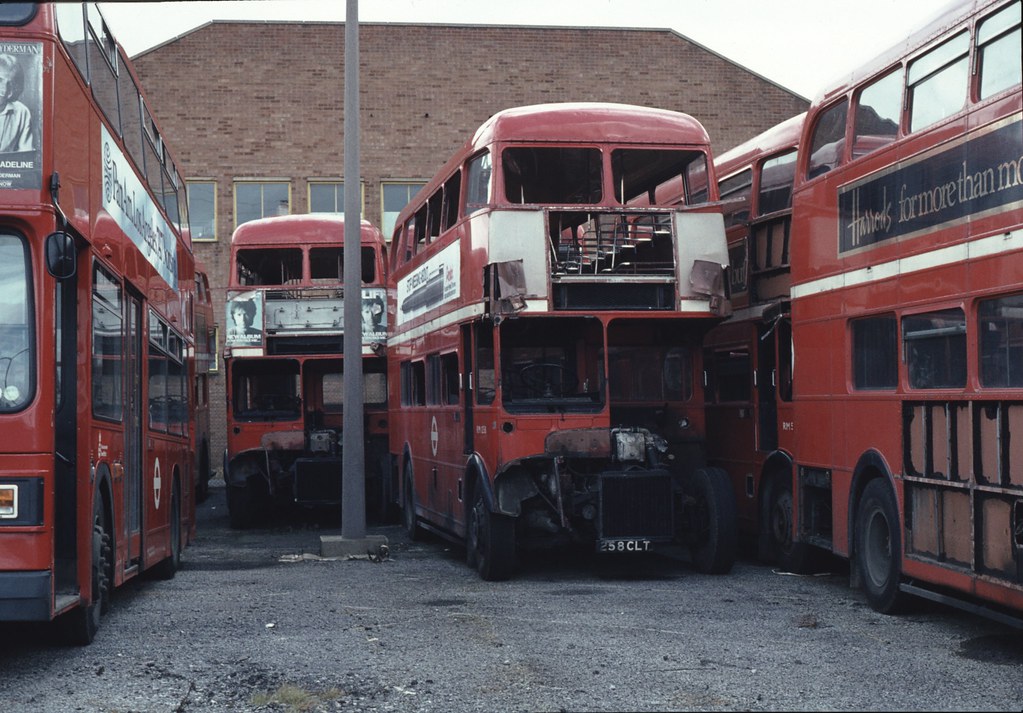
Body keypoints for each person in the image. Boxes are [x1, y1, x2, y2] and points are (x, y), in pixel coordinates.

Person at [0, 54, 32, 153]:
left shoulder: (22, 112)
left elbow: (25, 154)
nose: (5, 90)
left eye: (11, 83)